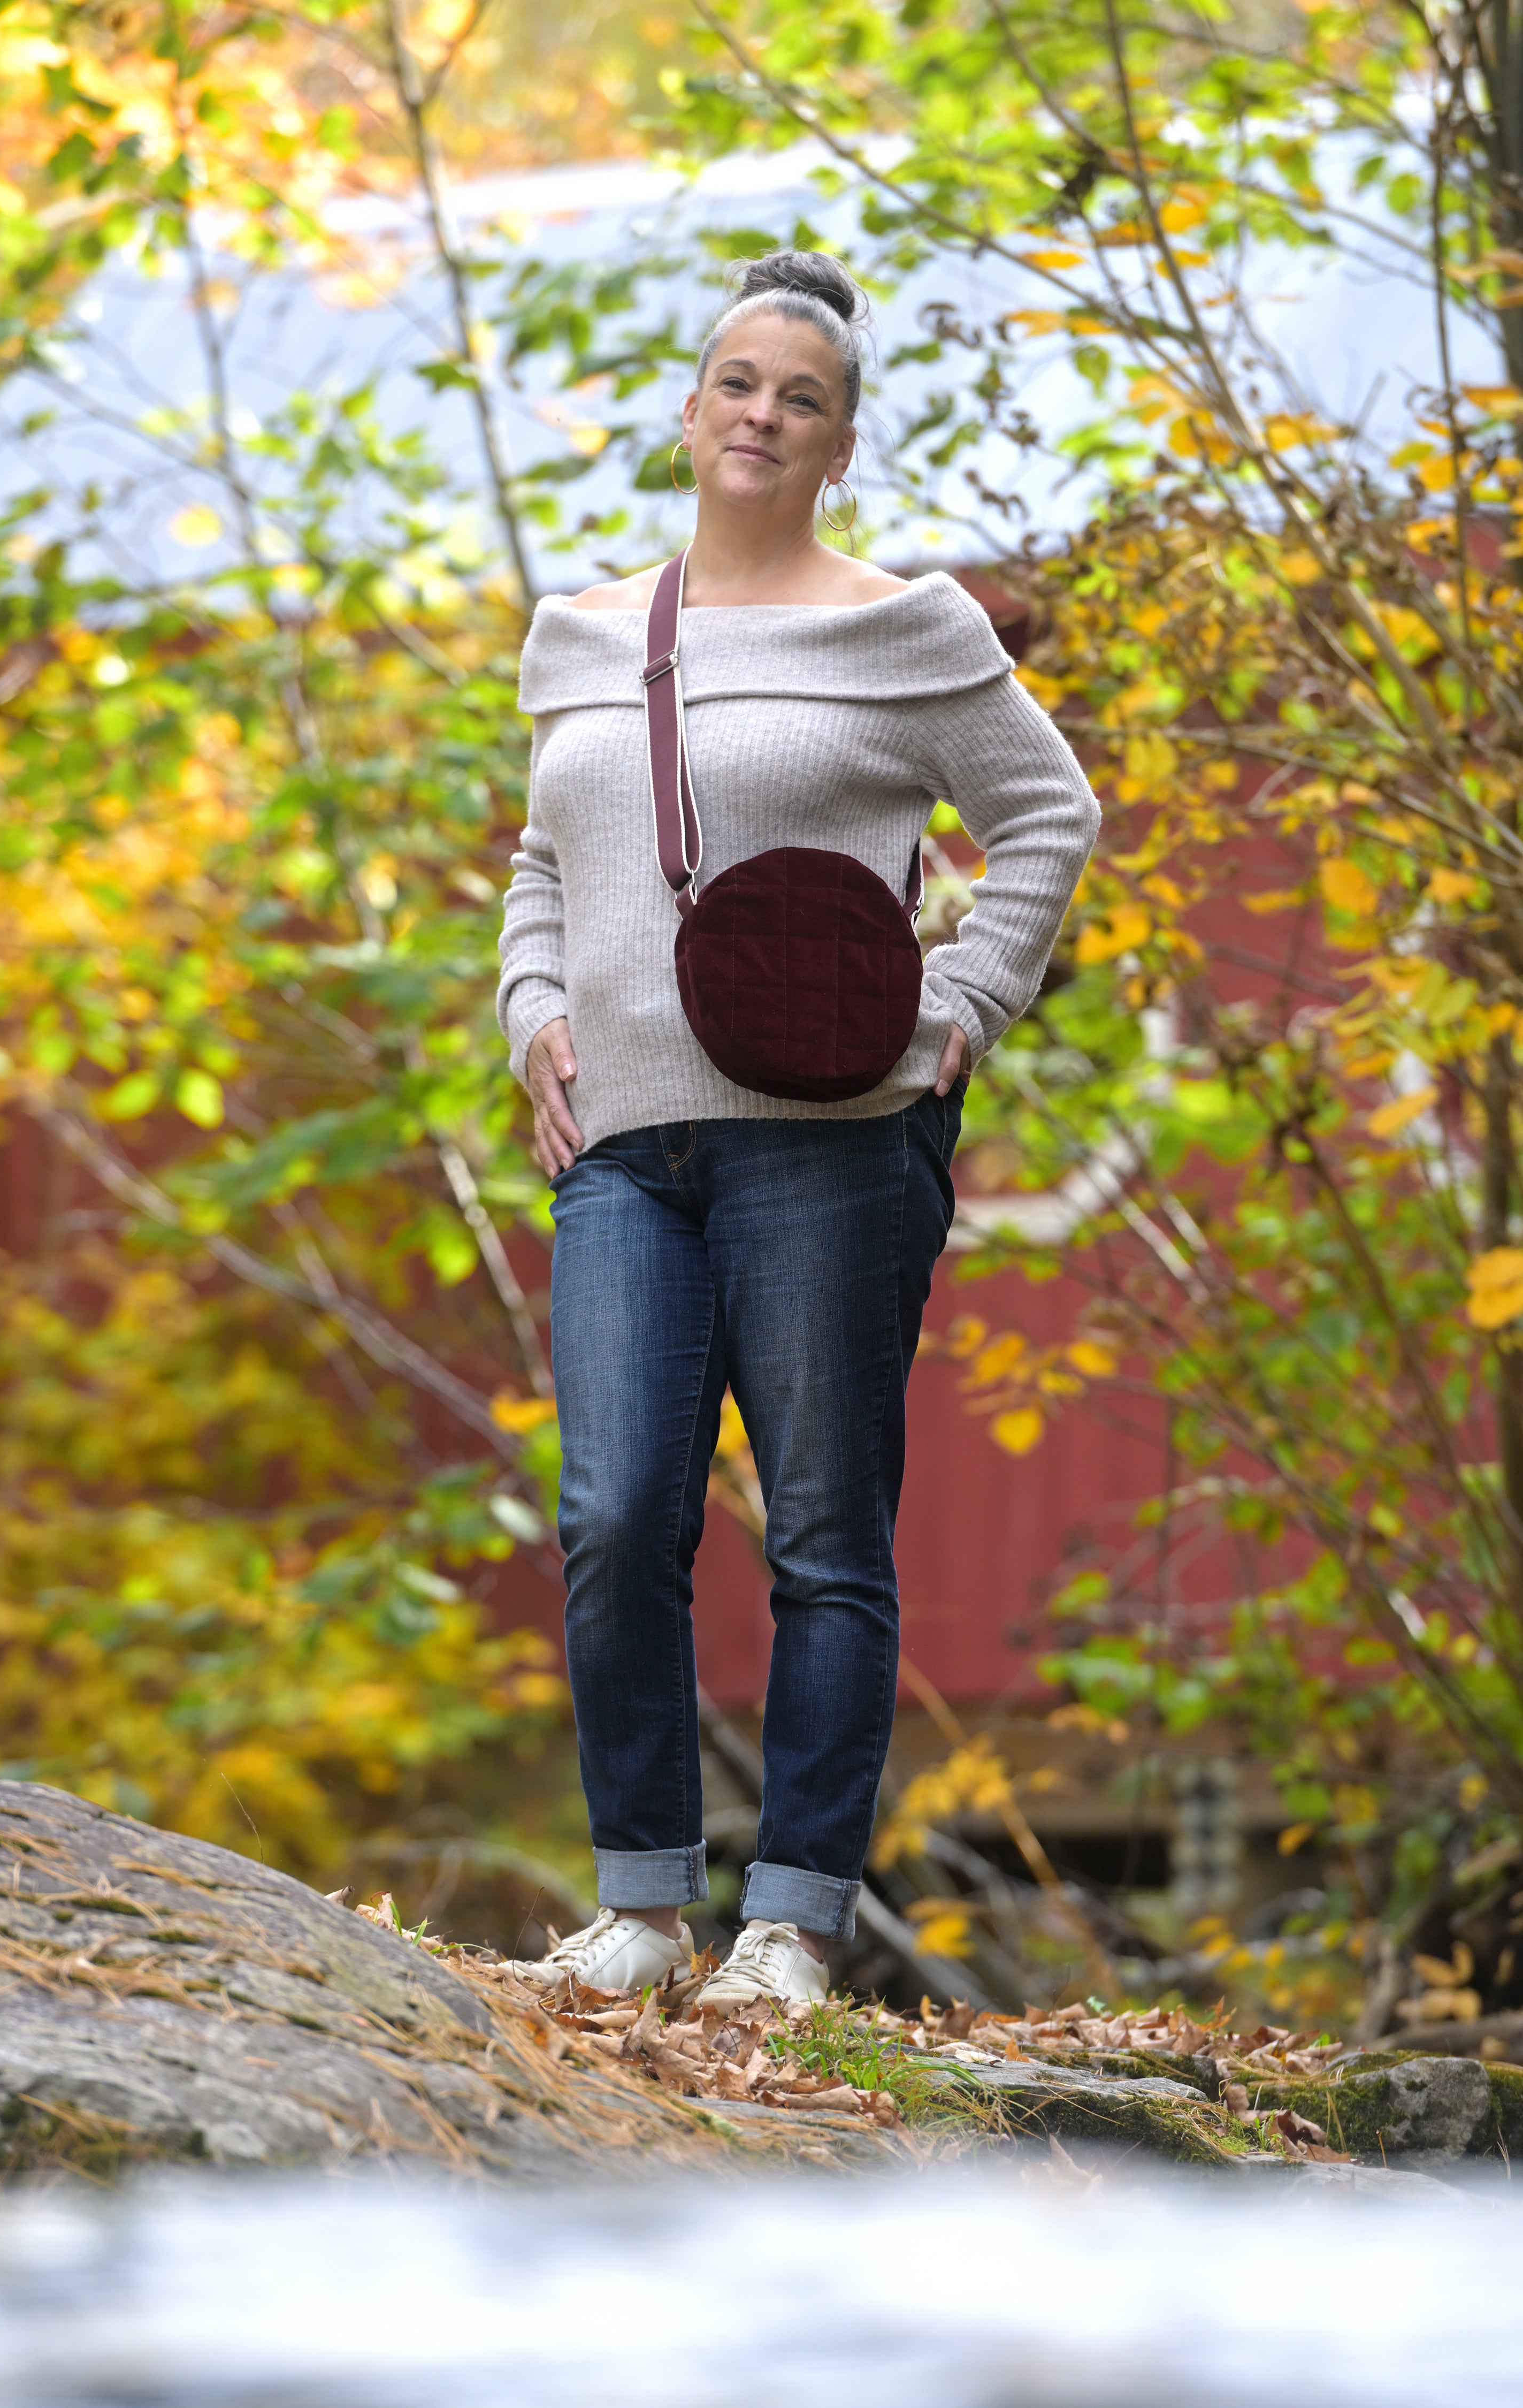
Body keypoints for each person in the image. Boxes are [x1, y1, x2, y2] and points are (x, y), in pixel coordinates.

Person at [496, 249, 1099, 2010]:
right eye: (738, 383)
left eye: (804, 396)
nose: (764, 413)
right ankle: (638, 1907)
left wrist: (962, 1009)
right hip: (624, 1147)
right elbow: (545, 863)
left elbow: (1047, 820)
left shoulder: (901, 625)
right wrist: (535, 1009)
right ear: (691, 414)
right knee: (615, 1515)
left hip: (832, 1147)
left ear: (839, 440)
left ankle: (795, 1921)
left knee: (825, 1531)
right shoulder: (586, 632)